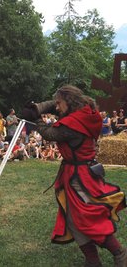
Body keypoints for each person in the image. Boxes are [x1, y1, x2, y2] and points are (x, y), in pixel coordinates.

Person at [22, 85, 127, 266]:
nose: (57, 107)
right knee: (71, 218)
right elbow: (55, 105)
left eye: (59, 103)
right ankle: (92, 260)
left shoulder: (74, 124)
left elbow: (50, 134)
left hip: (81, 178)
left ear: (69, 102)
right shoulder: (84, 112)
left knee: (88, 219)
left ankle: (120, 253)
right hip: (77, 174)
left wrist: (36, 119)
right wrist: (37, 108)